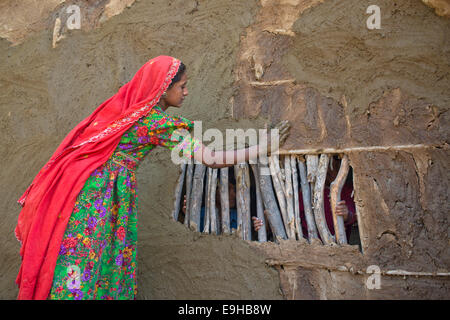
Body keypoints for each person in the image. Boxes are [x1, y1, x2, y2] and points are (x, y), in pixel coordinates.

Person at [14, 55, 290, 300]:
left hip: (82, 196)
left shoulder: (125, 112)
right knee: (93, 258)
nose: (186, 91)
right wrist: (262, 147)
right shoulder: (155, 122)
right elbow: (210, 159)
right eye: (181, 86)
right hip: (101, 200)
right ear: (163, 89)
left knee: (80, 258)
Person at [252, 156, 356, 241]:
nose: (331, 167)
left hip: (337, 248)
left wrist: (347, 214)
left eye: (336, 161)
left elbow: (357, 216)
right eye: (328, 163)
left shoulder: (349, 191)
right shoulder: (306, 192)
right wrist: (265, 224)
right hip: (307, 248)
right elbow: (287, 221)